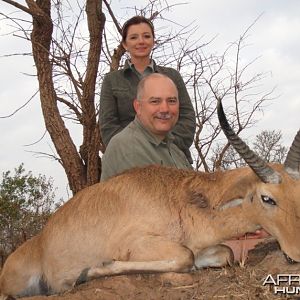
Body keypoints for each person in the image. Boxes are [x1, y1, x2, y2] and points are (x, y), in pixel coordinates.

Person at [99, 15, 195, 163]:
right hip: (130, 161)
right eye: (134, 37)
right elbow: (108, 126)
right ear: (125, 44)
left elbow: (187, 118)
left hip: (173, 159)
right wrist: (136, 151)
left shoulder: (172, 76)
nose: (141, 42)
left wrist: (164, 146)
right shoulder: (111, 80)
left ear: (153, 41)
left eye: (146, 36)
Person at [100, 73, 193, 181]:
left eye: (171, 101)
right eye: (155, 101)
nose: (165, 109)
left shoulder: (174, 149)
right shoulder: (128, 147)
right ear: (138, 107)